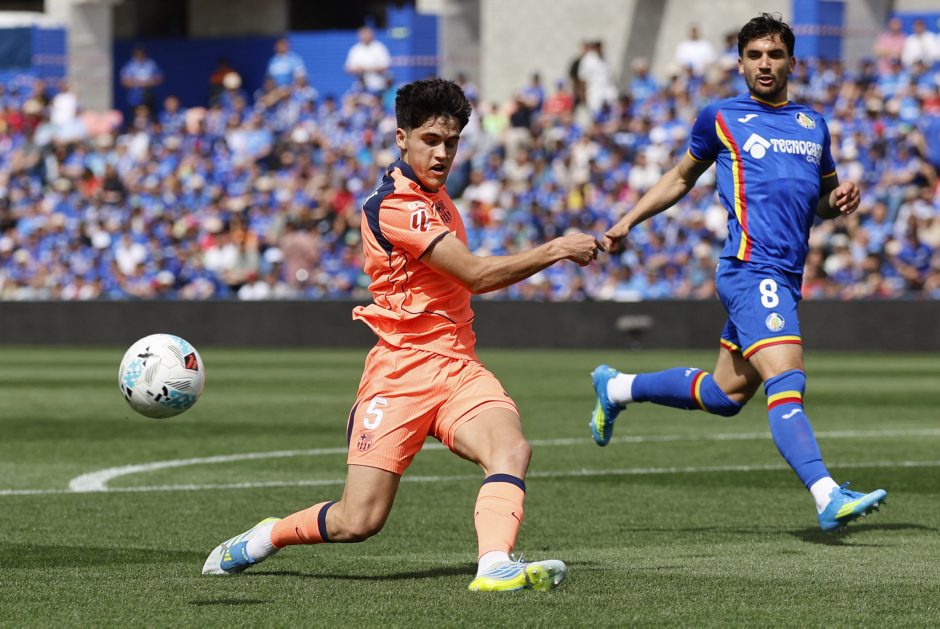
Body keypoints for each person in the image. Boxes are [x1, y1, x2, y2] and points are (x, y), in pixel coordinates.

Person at [203, 78, 601, 591]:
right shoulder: (395, 204)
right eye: (430, 140)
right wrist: (557, 249)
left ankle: (494, 564)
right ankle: (268, 535)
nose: (442, 154)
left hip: (458, 368)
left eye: (451, 142)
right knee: (358, 521)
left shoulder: (440, 199)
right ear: (401, 138)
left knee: (511, 450)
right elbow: (476, 276)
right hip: (400, 374)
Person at [587, 13, 887, 533]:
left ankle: (616, 388)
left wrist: (837, 201)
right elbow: (681, 177)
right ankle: (826, 494)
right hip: (751, 269)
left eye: (775, 55)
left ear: (792, 62)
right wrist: (627, 221)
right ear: (741, 64)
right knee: (787, 377)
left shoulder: (812, 124)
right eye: (754, 56)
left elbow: (820, 200)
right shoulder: (721, 117)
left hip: (785, 276)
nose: (765, 64)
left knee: (724, 396)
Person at [344, 26, 391, 95]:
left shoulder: (379, 47)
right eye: (363, 35)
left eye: (367, 34)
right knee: (349, 99)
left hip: (379, 85)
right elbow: (348, 69)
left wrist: (371, 69)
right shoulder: (355, 49)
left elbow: (386, 65)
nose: (365, 37)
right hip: (361, 86)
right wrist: (358, 70)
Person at [119, 46, 163, 117]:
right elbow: (124, 81)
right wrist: (139, 83)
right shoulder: (129, 66)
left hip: (149, 96)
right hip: (134, 97)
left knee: (151, 117)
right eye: (137, 55)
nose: (140, 56)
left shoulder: (151, 64)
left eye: (141, 54)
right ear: (134, 55)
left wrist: (149, 82)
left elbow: (159, 78)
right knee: (135, 118)